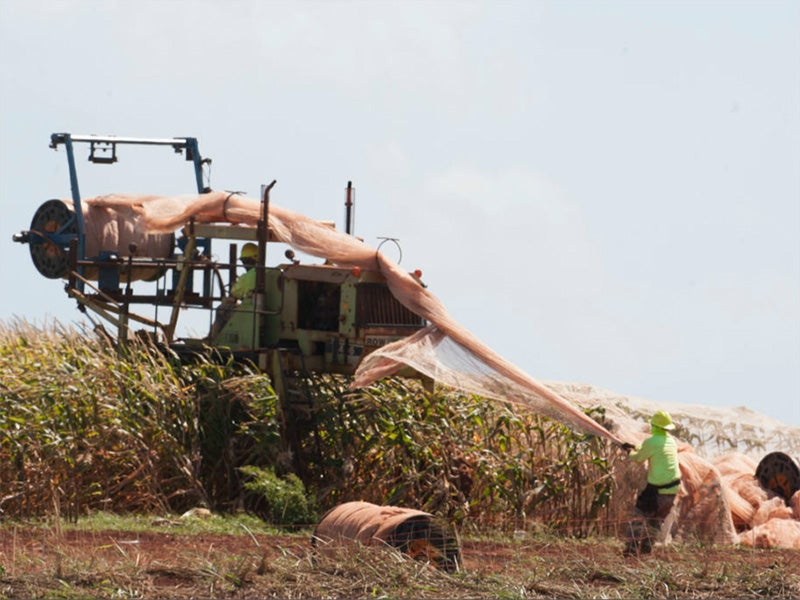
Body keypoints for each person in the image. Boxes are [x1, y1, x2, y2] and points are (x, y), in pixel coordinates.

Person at [622, 410, 681, 556]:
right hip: (672, 491)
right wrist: (636, 448)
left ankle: (631, 549)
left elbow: (638, 458)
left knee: (639, 516)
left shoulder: (651, 442)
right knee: (656, 521)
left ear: (654, 426)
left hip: (656, 491)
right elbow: (653, 452)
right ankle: (646, 549)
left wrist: (629, 451)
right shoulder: (671, 442)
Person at [209, 243, 258, 340]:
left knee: (222, 309)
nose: (244, 265)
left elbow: (234, 293)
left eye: (245, 261)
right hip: (261, 312)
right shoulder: (268, 272)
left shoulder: (246, 277)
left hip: (251, 314)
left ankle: (214, 339)